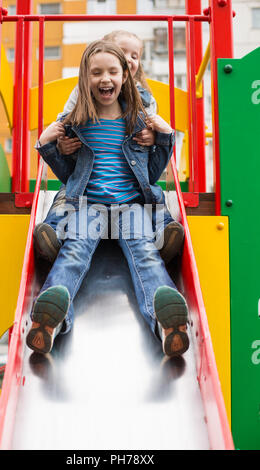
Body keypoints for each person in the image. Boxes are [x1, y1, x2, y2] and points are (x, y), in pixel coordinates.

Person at [26, 40, 189, 359]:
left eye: (113, 72)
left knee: (145, 253)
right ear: (84, 80)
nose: (105, 78)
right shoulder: (76, 124)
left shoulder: (139, 122)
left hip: (131, 207)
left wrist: (165, 137)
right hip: (88, 206)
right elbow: (68, 174)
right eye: (96, 72)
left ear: (125, 77)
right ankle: (50, 323)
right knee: (74, 252)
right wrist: (47, 146)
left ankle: (168, 326)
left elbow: (153, 173)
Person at [33, 30, 184, 266]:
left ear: (125, 72)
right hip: (89, 185)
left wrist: (155, 137)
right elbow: (67, 119)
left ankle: (163, 237)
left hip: (129, 184)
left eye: (135, 55)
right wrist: (59, 143)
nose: (130, 58)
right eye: (123, 52)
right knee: (68, 192)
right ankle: (53, 235)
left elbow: (153, 120)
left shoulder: (143, 97)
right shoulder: (84, 92)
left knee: (152, 196)